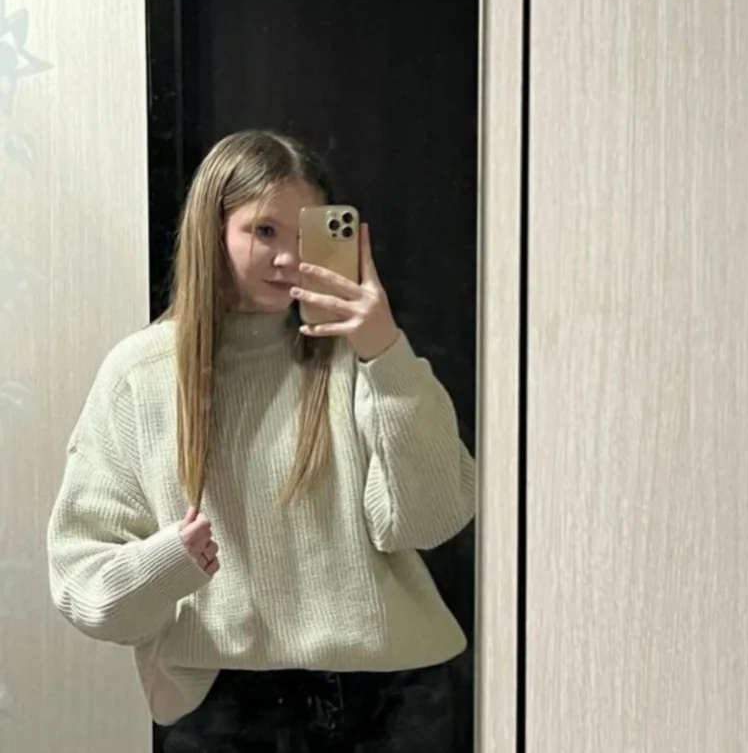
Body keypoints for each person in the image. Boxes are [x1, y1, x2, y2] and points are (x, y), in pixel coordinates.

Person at [46, 130, 475, 752]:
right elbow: (81, 580)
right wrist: (168, 563)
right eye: (265, 231)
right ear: (213, 231)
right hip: (229, 707)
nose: (287, 257)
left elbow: (427, 520)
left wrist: (385, 351)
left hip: (397, 697)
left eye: (307, 235)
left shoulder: (360, 356)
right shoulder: (142, 374)